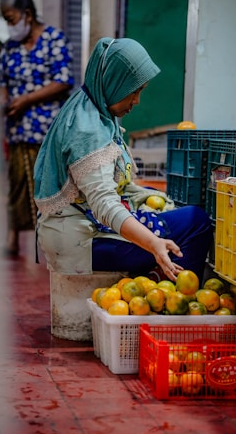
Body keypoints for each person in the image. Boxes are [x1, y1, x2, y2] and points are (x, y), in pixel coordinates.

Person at [34, 37, 213, 283]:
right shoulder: (89, 132)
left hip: (77, 228)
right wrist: (154, 244)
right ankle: (174, 298)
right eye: (134, 91)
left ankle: (155, 282)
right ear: (113, 83)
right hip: (83, 242)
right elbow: (105, 205)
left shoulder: (90, 108)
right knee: (196, 221)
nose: (136, 101)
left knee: (153, 198)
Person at [0, 0, 74, 256]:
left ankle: (54, 245)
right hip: (18, 130)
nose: (9, 25)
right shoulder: (10, 47)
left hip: (47, 131)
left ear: (27, 15)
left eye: (11, 18)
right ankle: (11, 241)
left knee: (50, 187)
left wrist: (27, 99)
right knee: (17, 184)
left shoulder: (54, 39)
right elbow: (2, 83)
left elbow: (63, 81)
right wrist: (4, 102)